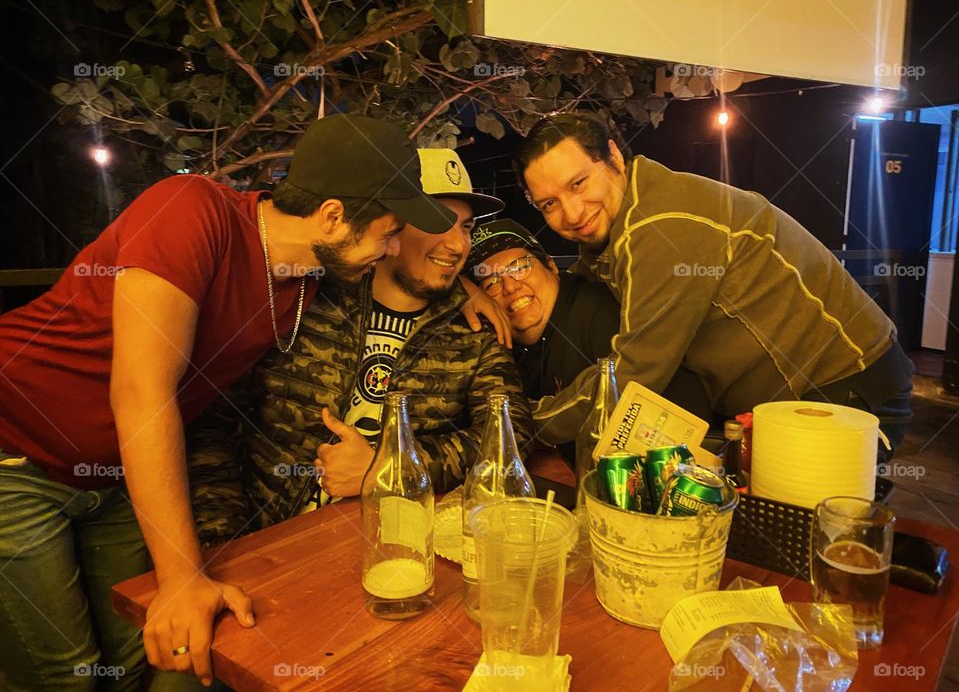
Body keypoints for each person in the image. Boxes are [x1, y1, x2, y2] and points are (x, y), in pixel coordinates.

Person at [0, 115, 461, 691]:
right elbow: (143, 392)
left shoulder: (308, 272)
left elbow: (413, 287)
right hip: (14, 450)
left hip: (115, 476)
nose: (394, 248)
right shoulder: (191, 209)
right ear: (334, 215)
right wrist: (182, 577)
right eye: (388, 232)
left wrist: (476, 293)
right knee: (61, 676)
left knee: (143, 652)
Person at [512, 112, 914, 461]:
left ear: (613, 157)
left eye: (579, 183)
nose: (572, 212)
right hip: (792, 400)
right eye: (549, 203)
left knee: (821, 537)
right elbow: (583, 277)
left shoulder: (659, 226)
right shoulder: (631, 214)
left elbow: (633, 374)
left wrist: (524, 421)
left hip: (843, 388)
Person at [188, 149, 533, 544]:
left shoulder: (475, 331)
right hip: (271, 542)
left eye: (467, 227)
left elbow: (512, 438)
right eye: (438, 223)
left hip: (387, 551)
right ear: (390, 224)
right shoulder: (304, 300)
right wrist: (222, 546)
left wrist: (388, 466)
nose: (457, 245)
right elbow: (216, 420)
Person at [465, 218, 712, 459]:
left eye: (519, 267)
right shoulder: (501, 347)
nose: (509, 287)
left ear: (551, 266)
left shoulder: (600, 314)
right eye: (491, 283)